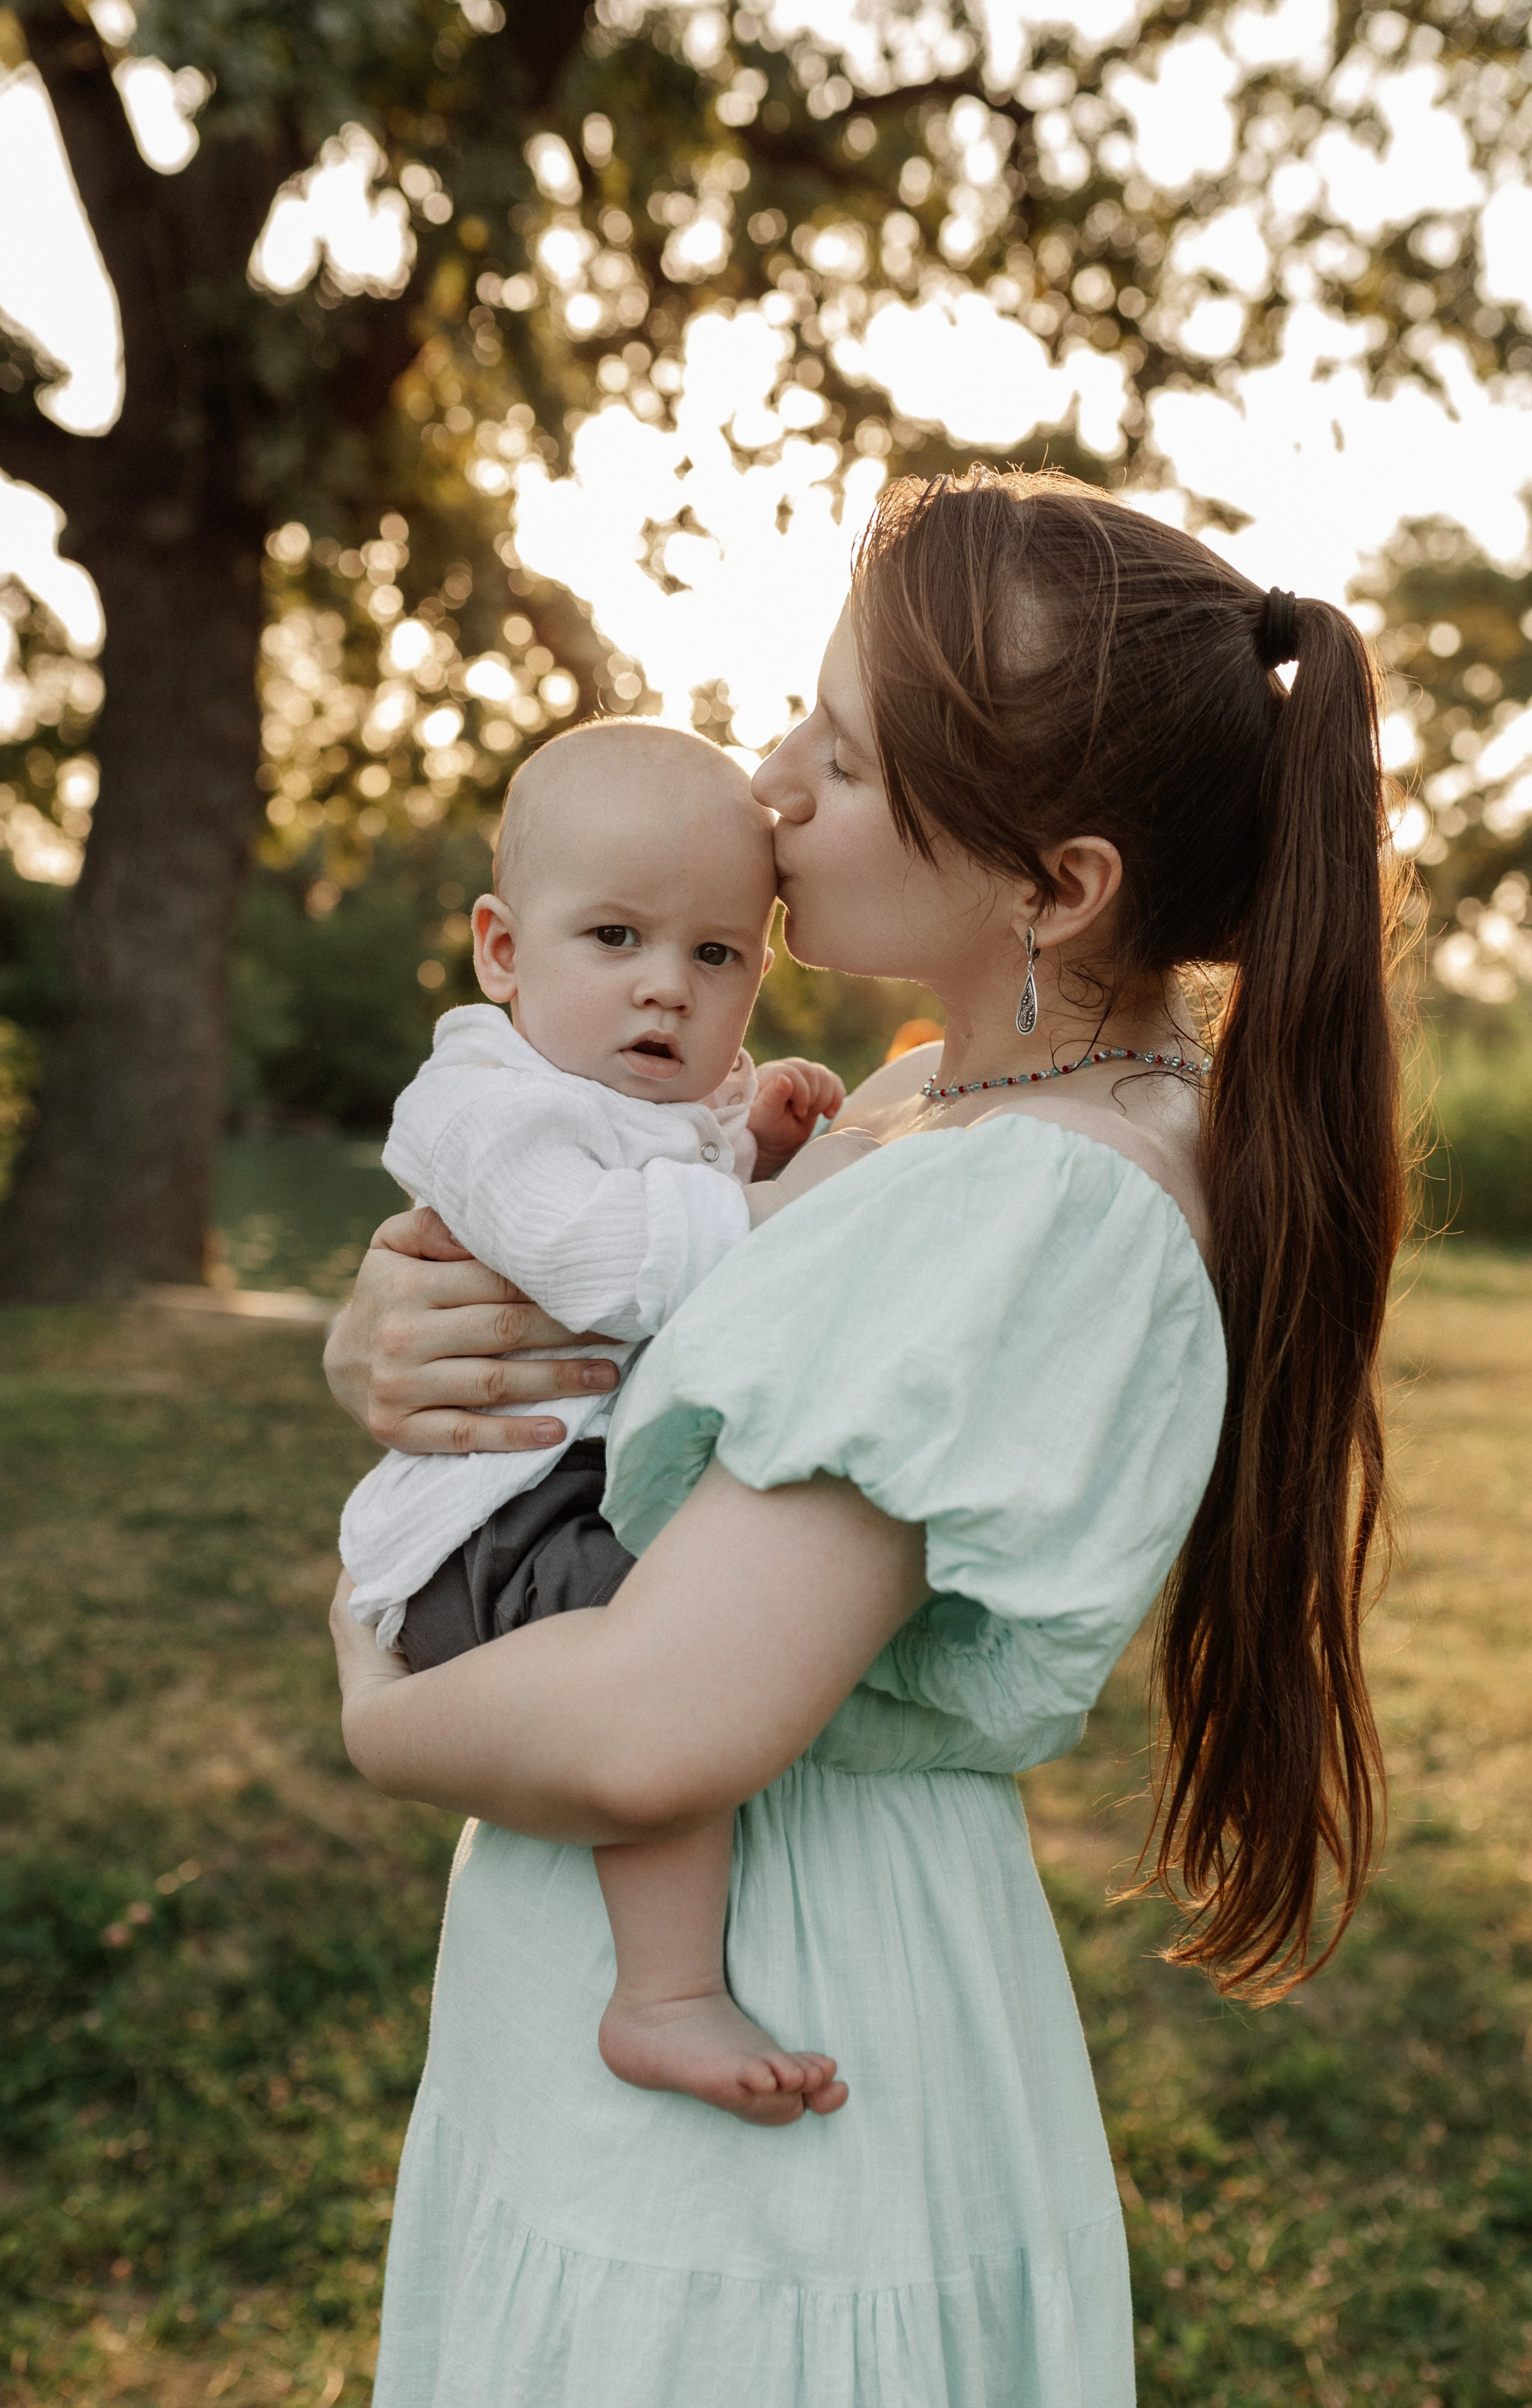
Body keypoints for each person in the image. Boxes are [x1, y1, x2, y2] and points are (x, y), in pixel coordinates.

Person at [326, 467, 1408, 2407]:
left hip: (776, 2037)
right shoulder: (935, 1105)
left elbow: (661, 1723)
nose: (772, 787)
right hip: (682, 1968)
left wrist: (370, 1694)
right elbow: (605, 1300)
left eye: (840, 754)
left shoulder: (1026, 1202)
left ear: (1057, 885)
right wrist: (392, 1343)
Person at [338, 716, 847, 2125]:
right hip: (491, 1521)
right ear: (503, 952)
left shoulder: (663, 1105)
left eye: (715, 955)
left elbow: (681, 1193)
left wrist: (762, 1140)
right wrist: (769, 1205)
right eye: (614, 938)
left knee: (675, 1611)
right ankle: (663, 1994)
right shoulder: (484, 1104)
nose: (665, 993)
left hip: (569, 1482)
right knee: (655, 1642)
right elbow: (602, 1261)